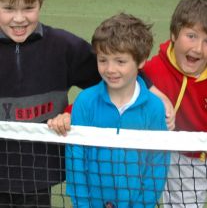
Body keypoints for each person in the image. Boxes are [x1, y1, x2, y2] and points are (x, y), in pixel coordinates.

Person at [0, 0, 174, 206]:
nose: (19, 19)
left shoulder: (62, 46)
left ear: (41, 3)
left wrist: (152, 88)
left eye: (28, 8)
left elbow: (111, 71)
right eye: (8, 8)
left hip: (36, 176)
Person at [143, 0, 207, 207]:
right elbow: (115, 89)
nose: (198, 49)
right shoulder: (153, 72)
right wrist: (70, 113)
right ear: (174, 34)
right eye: (191, 36)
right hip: (181, 160)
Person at [65, 13, 170, 207]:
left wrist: (141, 204)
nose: (110, 69)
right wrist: (83, 204)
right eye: (103, 60)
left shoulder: (154, 107)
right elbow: (76, 159)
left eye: (120, 61)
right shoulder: (85, 102)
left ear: (141, 61)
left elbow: (157, 164)